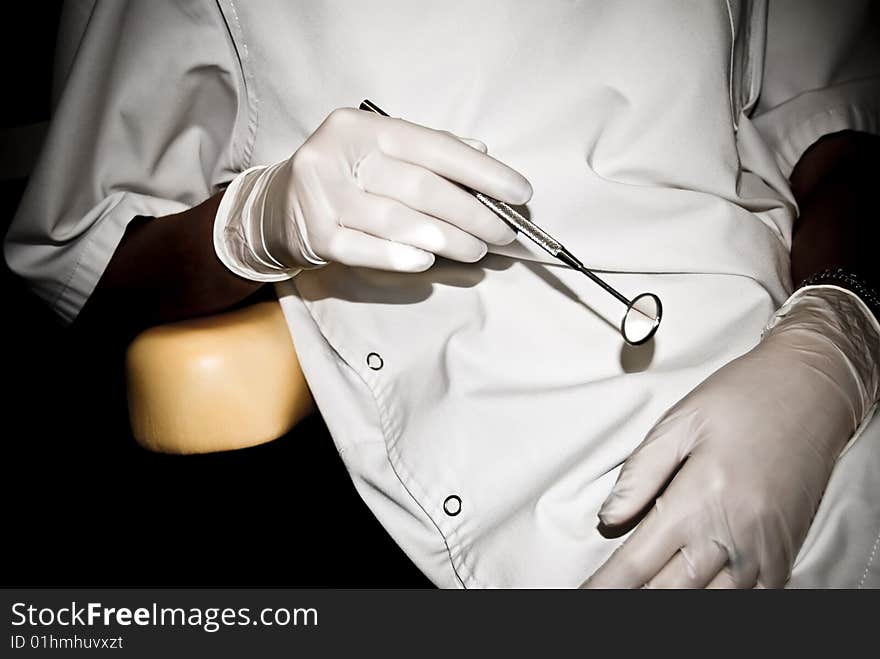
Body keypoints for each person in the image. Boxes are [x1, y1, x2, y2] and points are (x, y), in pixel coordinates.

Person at [5, 0, 880, 588]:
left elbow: (840, 131)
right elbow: (84, 269)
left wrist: (835, 340)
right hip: (576, 468)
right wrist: (257, 222)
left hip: (801, 336)